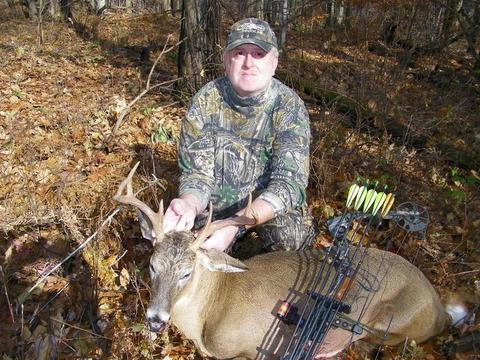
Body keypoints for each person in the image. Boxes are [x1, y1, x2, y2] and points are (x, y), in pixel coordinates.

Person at [163, 18, 315, 252]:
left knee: (289, 236)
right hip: (214, 216)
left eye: (258, 54)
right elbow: (197, 176)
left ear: (274, 63)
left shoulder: (289, 108)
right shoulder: (205, 101)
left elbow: (288, 185)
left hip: (267, 216)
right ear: (226, 60)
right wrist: (188, 205)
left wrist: (235, 224)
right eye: (240, 52)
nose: (248, 63)